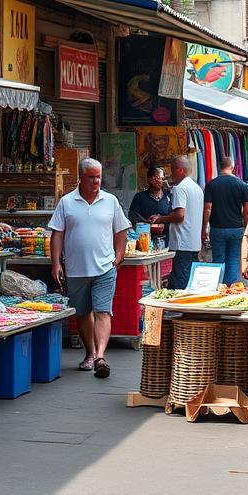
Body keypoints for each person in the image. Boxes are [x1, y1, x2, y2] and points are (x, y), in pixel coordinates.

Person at [47, 158, 131, 379]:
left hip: (105, 267)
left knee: (103, 311)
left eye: (99, 177)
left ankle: (101, 356)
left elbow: (121, 230)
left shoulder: (110, 201)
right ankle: (90, 353)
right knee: (83, 313)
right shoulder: (66, 202)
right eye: (92, 177)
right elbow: (57, 234)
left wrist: (119, 255)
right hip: (76, 269)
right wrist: (56, 263)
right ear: (81, 178)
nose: (96, 181)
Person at [204, 157, 248, 284]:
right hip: (236, 228)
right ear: (233, 167)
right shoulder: (241, 184)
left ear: (219, 167)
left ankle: (217, 288)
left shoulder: (212, 184)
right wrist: (246, 223)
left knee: (218, 260)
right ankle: (231, 288)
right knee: (233, 259)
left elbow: (208, 208)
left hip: (217, 228)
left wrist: (204, 228)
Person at [163, 156, 206, 289]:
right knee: (190, 282)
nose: (171, 174)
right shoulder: (197, 188)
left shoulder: (180, 188)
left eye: (172, 170)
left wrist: (160, 219)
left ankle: (177, 310)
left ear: (180, 170)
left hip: (182, 244)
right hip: (194, 244)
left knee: (179, 284)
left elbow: (179, 215)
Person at [127, 166, 173, 248]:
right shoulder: (140, 197)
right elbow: (133, 217)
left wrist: (163, 221)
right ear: (150, 180)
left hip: (168, 241)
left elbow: (175, 216)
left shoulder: (169, 196)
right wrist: (147, 223)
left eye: (162, 178)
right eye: (158, 178)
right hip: (146, 241)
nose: (161, 181)